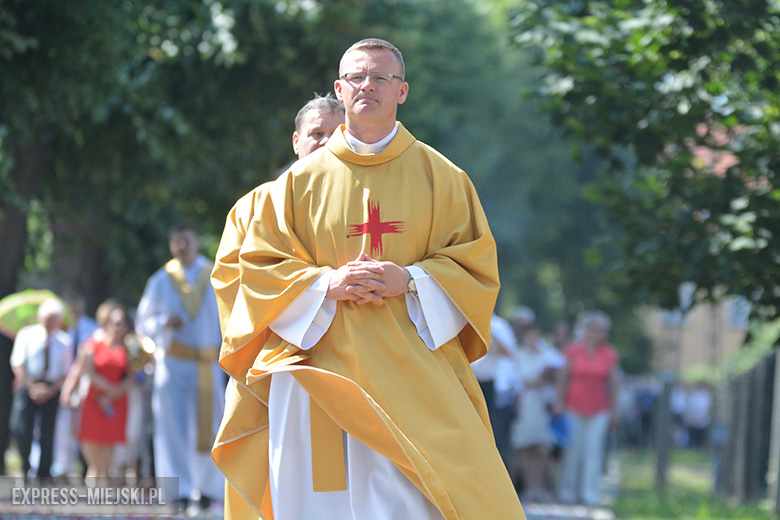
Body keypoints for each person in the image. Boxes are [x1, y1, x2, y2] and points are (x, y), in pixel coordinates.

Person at [212, 38, 525, 520]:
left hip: (413, 374)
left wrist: (413, 279)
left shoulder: (443, 177)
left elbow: (476, 267)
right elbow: (257, 269)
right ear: (341, 89)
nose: (368, 86)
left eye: (381, 77)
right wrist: (324, 286)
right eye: (357, 77)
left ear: (402, 91)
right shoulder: (297, 183)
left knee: (422, 500)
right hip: (317, 366)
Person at [212, 93, 345, 334]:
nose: (327, 142)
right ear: (296, 141)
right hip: (276, 352)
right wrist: (323, 286)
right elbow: (232, 281)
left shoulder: (365, 200)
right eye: (317, 134)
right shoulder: (254, 204)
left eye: (338, 135)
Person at [136, 224, 225, 511]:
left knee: (211, 425)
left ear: (196, 241)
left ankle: (210, 488)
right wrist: (163, 323)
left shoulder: (216, 275)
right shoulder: (161, 280)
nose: (181, 247)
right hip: (174, 361)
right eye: (176, 242)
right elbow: (142, 323)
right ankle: (179, 490)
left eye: (186, 240)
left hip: (208, 363)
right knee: (172, 427)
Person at [554, 311, 620, 506]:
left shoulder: (609, 354)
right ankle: (567, 492)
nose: (601, 334)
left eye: (604, 331)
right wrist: (559, 401)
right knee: (572, 450)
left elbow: (614, 384)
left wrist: (614, 412)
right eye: (598, 330)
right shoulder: (573, 350)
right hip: (573, 406)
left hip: (599, 409)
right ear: (588, 331)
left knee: (593, 451)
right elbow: (563, 377)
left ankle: (590, 494)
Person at [10, 297, 73, 483]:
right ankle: (24, 469)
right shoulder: (26, 335)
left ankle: (43, 475)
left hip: (51, 388)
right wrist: (31, 386)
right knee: (22, 429)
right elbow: (18, 363)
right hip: (29, 385)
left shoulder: (64, 341)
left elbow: (65, 371)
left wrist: (51, 390)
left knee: (48, 433)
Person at [77, 305, 135, 484]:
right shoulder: (93, 344)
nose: (119, 328)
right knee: (91, 437)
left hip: (116, 400)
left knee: (110, 439)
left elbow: (132, 375)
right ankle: (95, 471)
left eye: (122, 324)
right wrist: (107, 389)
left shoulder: (130, 348)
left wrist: (115, 392)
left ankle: (103, 475)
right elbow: (89, 371)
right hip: (96, 398)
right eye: (115, 323)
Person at [509, 322, 564, 503]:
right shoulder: (519, 355)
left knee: (542, 447)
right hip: (524, 406)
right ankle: (529, 486)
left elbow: (560, 371)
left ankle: (540, 487)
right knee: (525, 447)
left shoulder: (548, 355)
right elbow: (517, 380)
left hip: (542, 407)